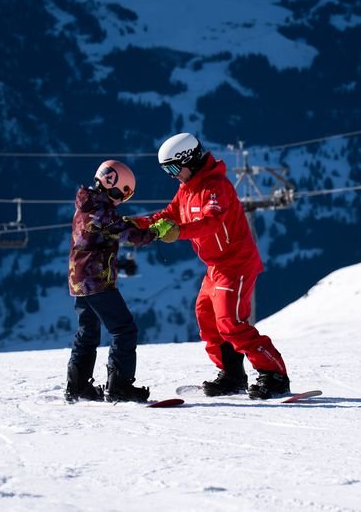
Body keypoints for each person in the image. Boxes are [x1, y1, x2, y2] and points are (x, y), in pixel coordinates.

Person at [132, 133, 291, 400]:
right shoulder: (187, 188)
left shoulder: (214, 186)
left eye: (172, 168)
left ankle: (274, 375)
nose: (171, 176)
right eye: (165, 171)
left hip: (236, 263)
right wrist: (138, 224)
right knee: (206, 316)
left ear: (189, 160)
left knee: (231, 322)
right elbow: (169, 215)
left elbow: (213, 222)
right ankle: (231, 374)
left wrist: (178, 232)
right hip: (215, 266)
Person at [65, 159, 169, 403]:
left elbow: (102, 238)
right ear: (116, 188)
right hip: (96, 281)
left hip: (79, 280)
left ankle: (77, 386)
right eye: (126, 194)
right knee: (124, 329)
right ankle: (119, 386)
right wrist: (156, 231)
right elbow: (128, 233)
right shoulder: (101, 212)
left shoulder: (87, 205)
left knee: (87, 331)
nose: (123, 200)